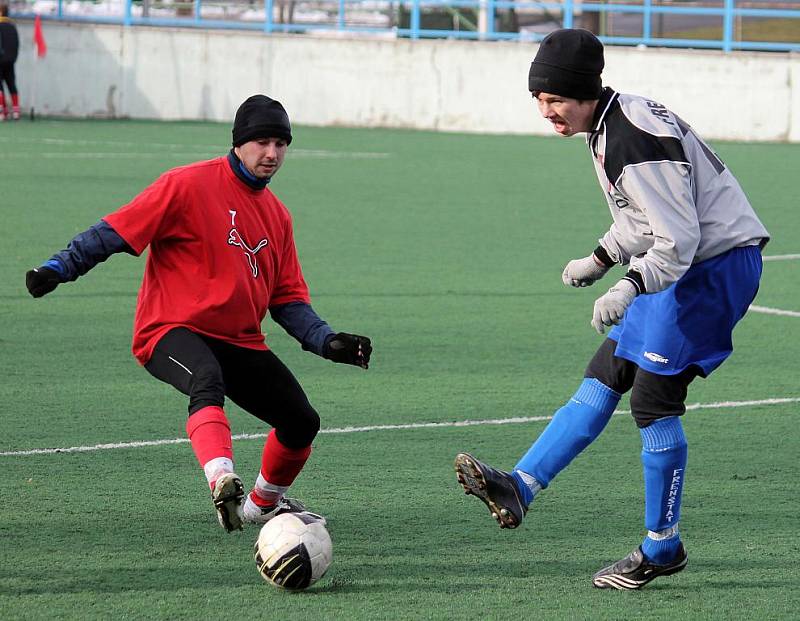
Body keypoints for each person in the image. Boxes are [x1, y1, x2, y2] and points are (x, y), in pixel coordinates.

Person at [455, 29, 769, 590]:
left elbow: (678, 239)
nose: (546, 112)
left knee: (653, 399)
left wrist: (628, 286)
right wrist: (600, 258)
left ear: (583, 91)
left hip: (713, 269)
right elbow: (640, 217)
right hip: (688, 262)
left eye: (554, 100)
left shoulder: (631, 139)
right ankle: (519, 487)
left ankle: (662, 547)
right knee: (608, 372)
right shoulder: (608, 125)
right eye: (539, 101)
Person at [26, 94, 373, 532]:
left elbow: (286, 300)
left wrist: (327, 341)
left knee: (301, 421)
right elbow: (113, 232)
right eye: (262, 142)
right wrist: (59, 267)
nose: (272, 153)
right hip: (168, 331)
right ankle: (222, 479)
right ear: (239, 142)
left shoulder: (277, 217)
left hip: (239, 340)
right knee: (206, 378)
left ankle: (260, 507)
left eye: (281, 144)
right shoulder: (186, 184)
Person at [0, 2, 20, 120]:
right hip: (11, 60)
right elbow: (16, 44)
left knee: (0, 85)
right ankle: (16, 111)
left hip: (0, 60)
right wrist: (13, 58)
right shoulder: (13, 26)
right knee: (11, 84)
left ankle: (2, 111)